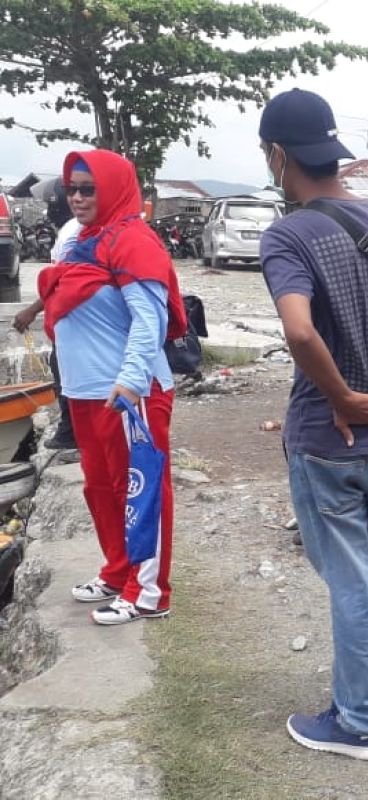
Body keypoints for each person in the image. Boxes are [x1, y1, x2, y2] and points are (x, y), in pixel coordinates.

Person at [257, 88, 368, 762]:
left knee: (351, 580)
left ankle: (362, 721)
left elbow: (300, 331)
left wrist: (338, 397)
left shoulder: (287, 233)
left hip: (328, 441)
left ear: (280, 157)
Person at [37, 150, 187, 625]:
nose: (78, 198)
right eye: (72, 189)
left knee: (138, 487)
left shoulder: (134, 241)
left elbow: (150, 319)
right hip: (85, 391)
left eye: (89, 188)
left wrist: (130, 381)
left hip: (129, 392)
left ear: (114, 188)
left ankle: (148, 593)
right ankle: (117, 571)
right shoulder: (82, 238)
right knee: (101, 488)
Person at [13, 178, 84, 450]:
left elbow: (62, 280)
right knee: (62, 369)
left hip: (73, 315)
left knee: (65, 371)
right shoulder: (71, 229)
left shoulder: (72, 231)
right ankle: (71, 430)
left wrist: (32, 310)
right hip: (66, 314)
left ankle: (70, 435)